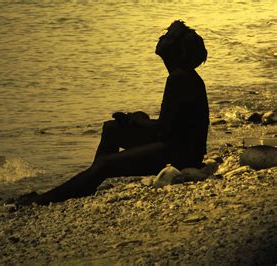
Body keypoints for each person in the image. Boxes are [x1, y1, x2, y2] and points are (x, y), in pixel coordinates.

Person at [15, 20, 209, 205]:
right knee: (112, 129)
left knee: (106, 164)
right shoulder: (182, 76)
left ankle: (43, 200)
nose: (161, 38)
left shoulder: (179, 78)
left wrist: (139, 120)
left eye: (167, 37)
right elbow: (173, 125)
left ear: (174, 50)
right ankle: (91, 180)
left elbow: (165, 132)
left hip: (181, 154)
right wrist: (138, 120)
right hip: (177, 145)